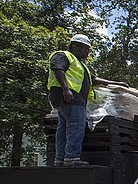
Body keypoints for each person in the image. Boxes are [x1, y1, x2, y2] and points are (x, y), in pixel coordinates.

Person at [48, 34, 128, 167]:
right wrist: (66, 89)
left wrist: (116, 83)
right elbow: (58, 69)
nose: (87, 52)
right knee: (76, 126)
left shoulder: (80, 65)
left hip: (68, 99)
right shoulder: (63, 56)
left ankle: (60, 159)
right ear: (74, 46)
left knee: (63, 129)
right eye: (84, 49)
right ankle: (72, 157)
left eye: (88, 50)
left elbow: (94, 80)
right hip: (70, 98)